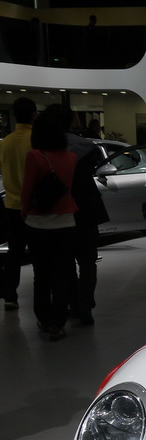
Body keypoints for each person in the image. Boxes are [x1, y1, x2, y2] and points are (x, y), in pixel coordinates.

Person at [42, 103, 109, 326]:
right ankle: (86, 305)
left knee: (65, 260)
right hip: (87, 208)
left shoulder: (46, 149)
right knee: (88, 261)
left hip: (60, 208)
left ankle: (72, 302)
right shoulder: (86, 146)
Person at [20, 110, 78, 340]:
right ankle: (58, 323)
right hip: (66, 222)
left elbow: (27, 190)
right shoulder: (71, 157)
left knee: (41, 274)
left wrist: (25, 211)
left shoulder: (35, 156)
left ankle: (44, 318)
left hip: (38, 223)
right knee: (62, 274)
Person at [0, 96, 36, 310]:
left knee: (14, 252)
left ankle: (10, 296)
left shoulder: (6, 142)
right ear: (33, 114)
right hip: (34, 206)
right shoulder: (35, 140)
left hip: (12, 205)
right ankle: (43, 296)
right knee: (40, 253)